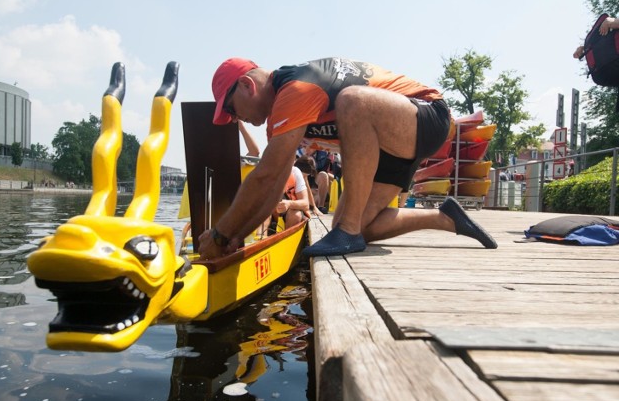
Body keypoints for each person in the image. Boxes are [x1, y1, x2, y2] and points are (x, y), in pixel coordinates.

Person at [198, 57, 497, 260]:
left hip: (427, 115)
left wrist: (220, 235)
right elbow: (274, 183)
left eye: (232, 110)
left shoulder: (296, 88)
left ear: (247, 86)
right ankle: (444, 217)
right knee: (361, 226)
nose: (237, 119)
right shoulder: (282, 118)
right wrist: (236, 238)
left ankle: (348, 233)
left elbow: (263, 174)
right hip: (388, 147)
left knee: (352, 100)